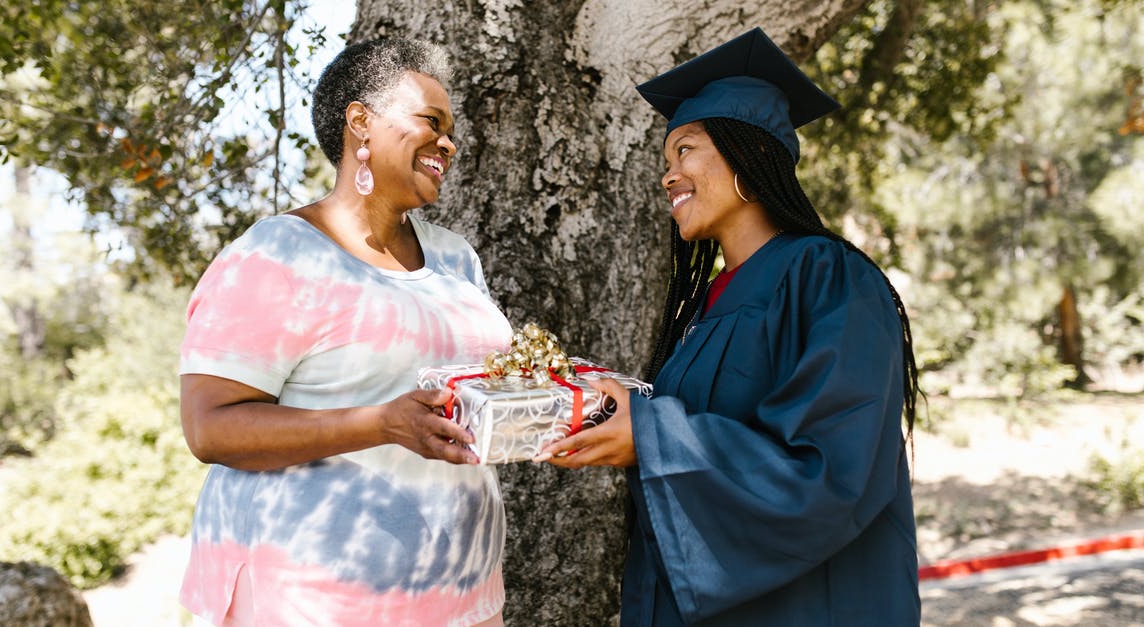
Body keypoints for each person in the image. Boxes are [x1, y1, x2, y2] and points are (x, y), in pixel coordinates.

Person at [537, 28, 922, 625]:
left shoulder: (829, 279)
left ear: (750, 155)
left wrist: (652, 437)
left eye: (685, 150)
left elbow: (829, 471)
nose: (669, 175)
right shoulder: (707, 307)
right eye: (666, 160)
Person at [177, 38, 511, 626]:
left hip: (461, 594)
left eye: (451, 129)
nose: (448, 143)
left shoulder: (456, 259)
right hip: (313, 599)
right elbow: (210, 426)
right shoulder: (276, 255)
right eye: (430, 121)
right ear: (361, 121)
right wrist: (381, 424)